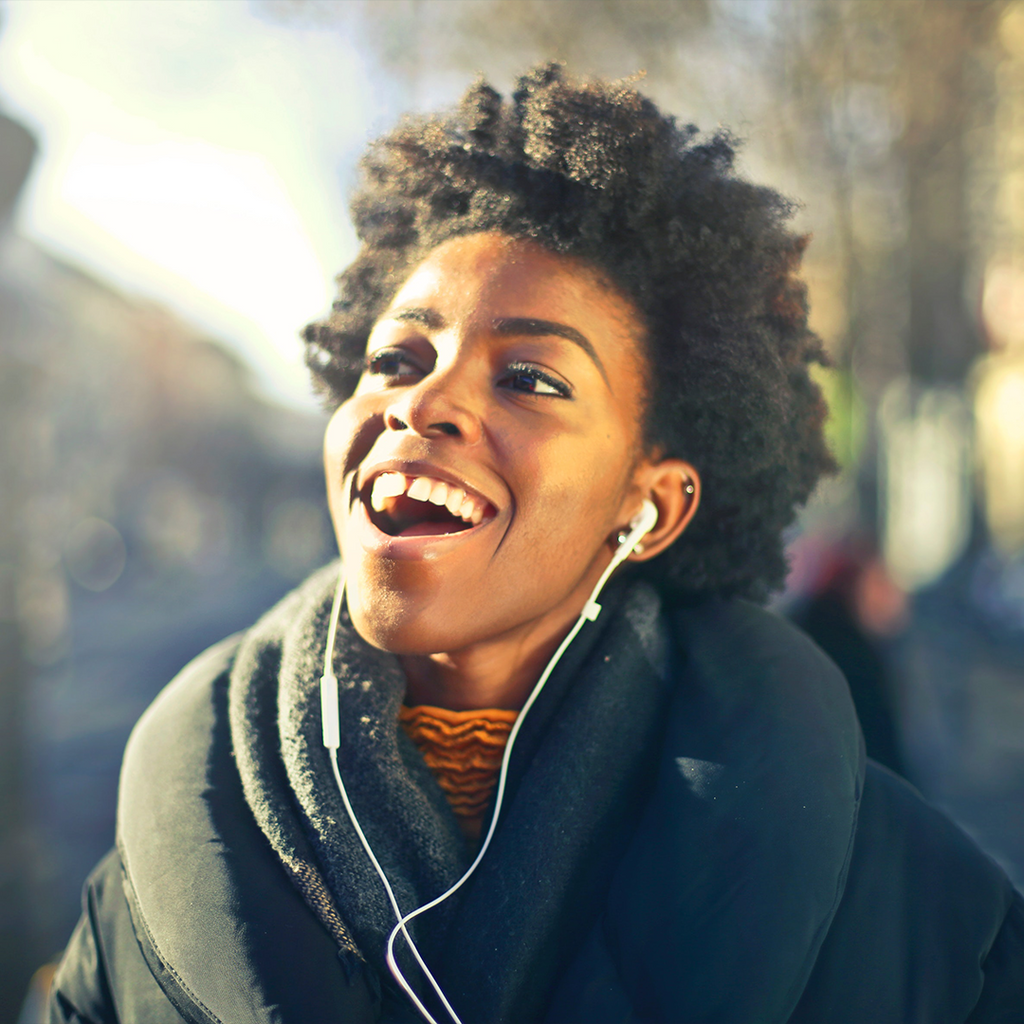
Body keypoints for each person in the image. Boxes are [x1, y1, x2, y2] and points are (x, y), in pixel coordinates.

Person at [49, 65, 1023, 1024]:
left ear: (651, 505)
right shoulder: (130, 900)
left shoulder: (937, 927)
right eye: (396, 358)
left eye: (530, 378)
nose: (422, 403)